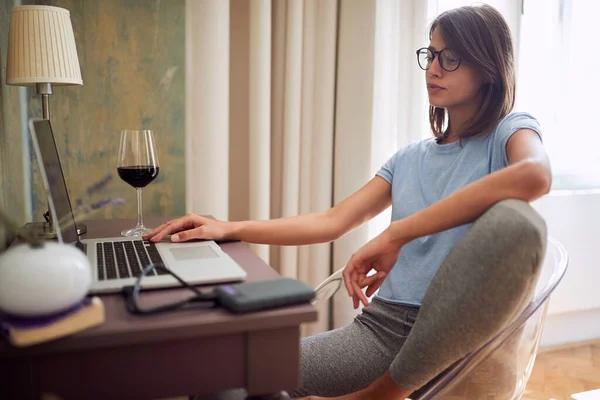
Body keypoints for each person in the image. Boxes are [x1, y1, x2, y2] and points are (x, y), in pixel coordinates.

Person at [144, 4, 551, 400]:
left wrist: (398, 233)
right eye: (430, 54)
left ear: (488, 68)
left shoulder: (508, 134)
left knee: (517, 221)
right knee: (229, 378)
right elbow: (330, 221)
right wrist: (229, 228)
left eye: (452, 57)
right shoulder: (410, 158)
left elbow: (535, 176)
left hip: (457, 337)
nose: (433, 68)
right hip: (384, 329)